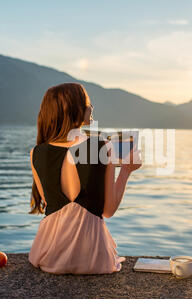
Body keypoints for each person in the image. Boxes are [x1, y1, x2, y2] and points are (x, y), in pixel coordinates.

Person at [28, 82, 142, 274]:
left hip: (47, 256)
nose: (91, 108)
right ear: (74, 109)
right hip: (93, 260)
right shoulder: (102, 146)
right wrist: (126, 171)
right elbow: (107, 211)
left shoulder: (36, 153)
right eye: (88, 103)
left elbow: (51, 205)